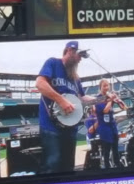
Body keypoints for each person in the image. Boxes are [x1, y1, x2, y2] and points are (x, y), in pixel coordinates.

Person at [35, 41, 95, 173]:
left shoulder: (75, 78)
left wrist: (103, 98)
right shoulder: (53, 63)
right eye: (79, 55)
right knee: (52, 165)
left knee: (68, 168)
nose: (80, 60)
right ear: (69, 50)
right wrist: (61, 100)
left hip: (70, 129)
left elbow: (82, 98)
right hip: (51, 126)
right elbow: (40, 84)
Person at [94, 79, 127, 169]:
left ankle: (118, 165)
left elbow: (124, 107)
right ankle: (107, 168)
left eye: (107, 85)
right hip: (104, 128)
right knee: (106, 151)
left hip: (112, 126)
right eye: (104, 86)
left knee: (115, 148)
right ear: (100, 87)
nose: (106, 88)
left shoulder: (110, 96)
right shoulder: (98, 99)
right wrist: (110, 100)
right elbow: (105, 110)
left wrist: (118, 101)